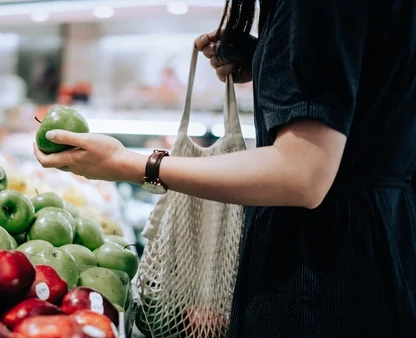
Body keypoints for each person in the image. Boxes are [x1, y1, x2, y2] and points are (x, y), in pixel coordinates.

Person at [34, 0, 416, 337]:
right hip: (378, 251)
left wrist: (132, 164)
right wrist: (270, 57)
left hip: (323, 274)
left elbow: (301, 173)